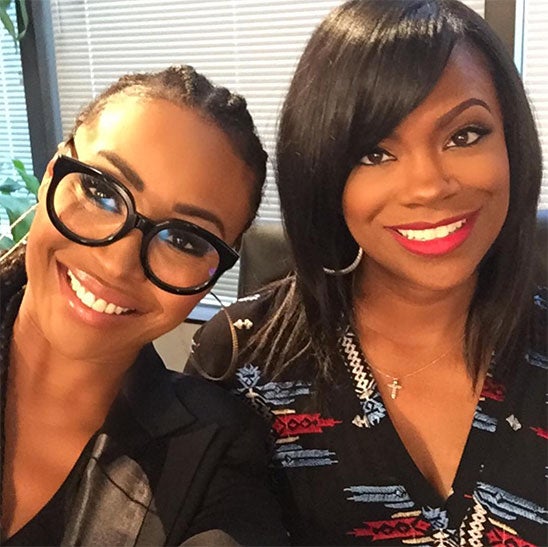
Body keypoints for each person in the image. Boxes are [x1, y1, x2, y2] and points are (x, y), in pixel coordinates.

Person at [187, 1, 548, 545]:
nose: (429, 187)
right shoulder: (244, 361)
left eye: (465, 135)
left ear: (512, 143)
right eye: (375, 153)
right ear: (323, 173)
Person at [0, 65, 288, 545]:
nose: (118, 264)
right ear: (52, 176)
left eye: (184, 240)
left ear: (214, 272)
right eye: (101, 193)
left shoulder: (212, 455)